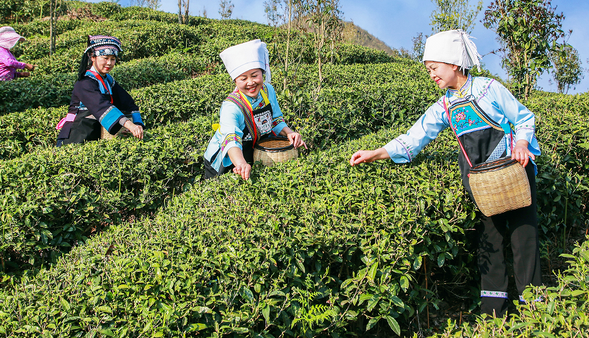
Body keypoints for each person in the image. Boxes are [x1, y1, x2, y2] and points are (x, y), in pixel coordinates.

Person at [349, 29, 542, 317]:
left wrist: (523, 143)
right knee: (488, 242)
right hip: (483, 185)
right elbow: (415, 136)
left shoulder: (489, 89)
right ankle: (494, 312)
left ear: (453, 64)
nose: (431, 75)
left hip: (513, 174)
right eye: (428, 70)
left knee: (523, 238)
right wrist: (375, 153)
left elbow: (524, 116)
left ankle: (535, 306)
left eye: (434, 68)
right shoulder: (445, 106)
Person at [203, 39, 305, 180]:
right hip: (228, 160)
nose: (250, 82)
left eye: (255, 75)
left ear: (262, 73)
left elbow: (275, 120)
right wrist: (240, 163)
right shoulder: (231, 106)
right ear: (235, 81)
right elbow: (230, 139)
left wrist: (289, 132)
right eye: (243, 78)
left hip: (254, 150)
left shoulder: (268, 90)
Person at [56, 35, 144, 146]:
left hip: (94, 136)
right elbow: (101, 105)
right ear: (92, 57)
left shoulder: (108, 80)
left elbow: (127, 102)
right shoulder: (85, 83)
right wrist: (129, 125)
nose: (109, 63)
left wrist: (136, 123)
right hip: (75, 136)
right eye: (105, 58)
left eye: (113, 59)